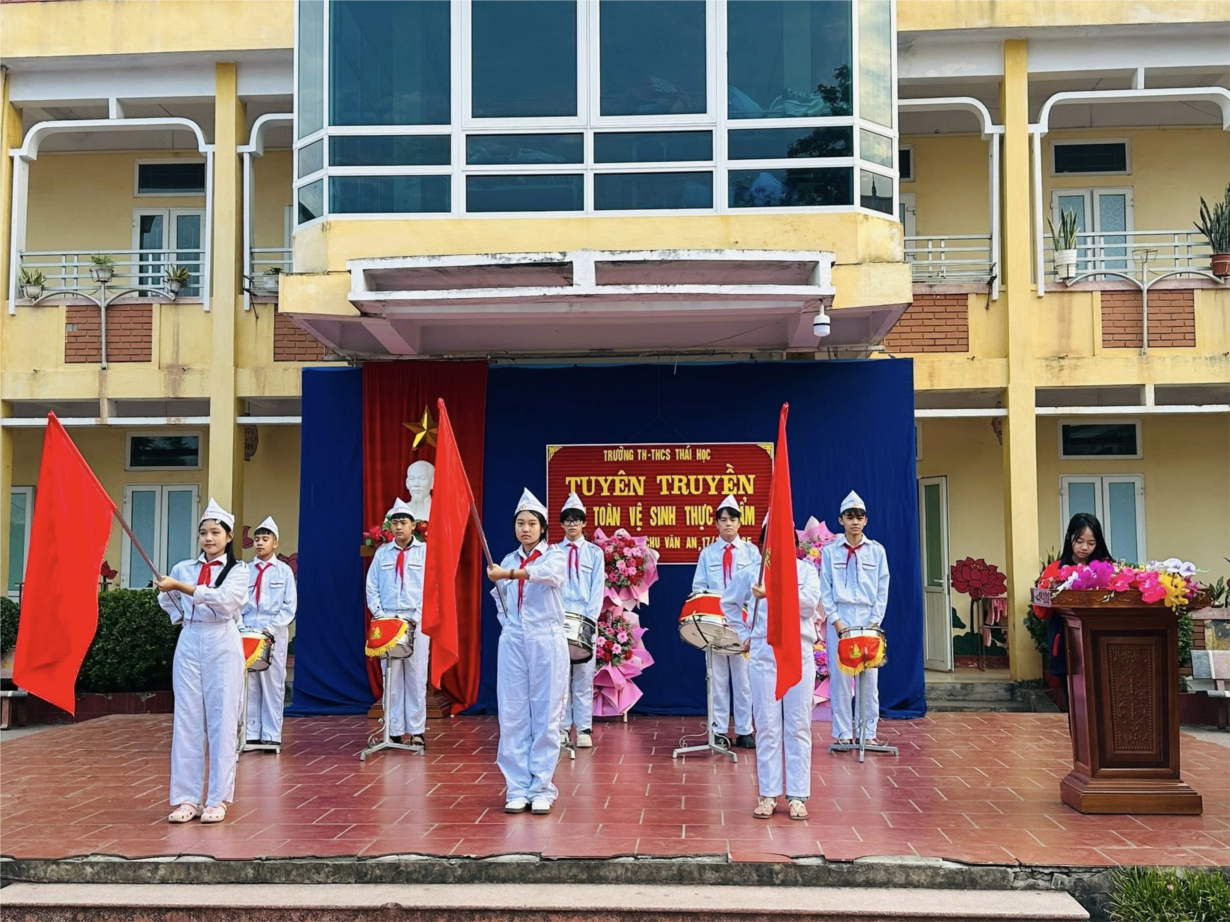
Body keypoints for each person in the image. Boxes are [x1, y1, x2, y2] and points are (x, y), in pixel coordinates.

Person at [155, 498, 248, 824]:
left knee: (222, 720)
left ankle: (217, 799)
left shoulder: (238, 570)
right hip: (190, 639)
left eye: (215, 532)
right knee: (187, 719)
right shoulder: (184, 568)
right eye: (204, 533)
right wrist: (178, 608)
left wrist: (181, 587)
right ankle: (186, 798)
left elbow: (226, 601)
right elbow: (167, 600)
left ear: (228, 536)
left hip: (222, 639)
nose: (209, 538)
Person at [722, 527, 822, 819]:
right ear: (763, 544)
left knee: (798, 725)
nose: (778, 548)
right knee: (766, 725)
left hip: (797, 652)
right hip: (764, 654)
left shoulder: (805, 571)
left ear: (794, 544)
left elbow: (808, 605)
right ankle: (768, 793)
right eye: (772, 542)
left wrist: (773, 593)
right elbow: (728, 603)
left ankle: (798, 796)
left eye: (785, 542)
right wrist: (744, 634)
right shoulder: (751, 573)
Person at [487, 489, 568, 815]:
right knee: (513, 714)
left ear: (543, 528)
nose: (525, 529)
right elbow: (500, 599)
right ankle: (517, 787)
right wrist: (510, 625)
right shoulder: (507, 560)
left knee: (546, 714)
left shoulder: (555, 556)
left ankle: (542, 787)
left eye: (532, 523)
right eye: (520, 523)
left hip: (546, 638)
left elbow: (546, 576)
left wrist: (507, 574)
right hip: (514, 639)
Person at [818, 491, 890, 747]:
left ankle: (868, 733)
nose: (855, 522)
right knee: (840, 679)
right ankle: (842, 734)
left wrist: (875, 621)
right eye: (850, 517)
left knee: (869, 680)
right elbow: (825, 588)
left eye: (859, 517)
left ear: (866, 520)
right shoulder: (830, 552)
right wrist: (836, 620)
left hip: (868, 618)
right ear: (841, 520)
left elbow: (883, 588)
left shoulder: (877, 551)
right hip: (841, 617)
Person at [691, 494, 760, 749]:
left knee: (743, 679)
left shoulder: (751, 552)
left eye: (732, 519)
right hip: (713, 624)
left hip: (742, 623)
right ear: (716, 524)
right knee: (717, 677)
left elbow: (757, 587)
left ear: (740, 522)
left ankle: (744, 730)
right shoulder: (707, 554)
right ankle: (718, 730)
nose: (728, 524)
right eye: (723, 520)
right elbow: (698, 588)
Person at [365, 498, 430, 748]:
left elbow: (431, 588)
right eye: (395, 523)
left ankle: (416, 730)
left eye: (404, 522)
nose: (399, 527)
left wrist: (416, 616)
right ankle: (393, 729)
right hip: (388, 619)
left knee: (416, 675)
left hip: (415, 619)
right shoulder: (382, 553)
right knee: (390, 675)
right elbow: (372, 586)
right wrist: (380, 613)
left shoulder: (425, 552)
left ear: (413, 525)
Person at [1044, 513, 1114, 702]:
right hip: (1064, 636)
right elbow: (1041, 611)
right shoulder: (1054, 569)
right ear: (1069, 538)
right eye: (1079, 541)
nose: (1084, 548)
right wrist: (1051, 592)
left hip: (1098, 636)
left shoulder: (1108, 568)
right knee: (1072, 693)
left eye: (1091, 543)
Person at [241, 516, 297, 747]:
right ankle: (251, 732)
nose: (260, 543)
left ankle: (272, 735)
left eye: (265, 539)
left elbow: (289, 606)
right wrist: (241, 626)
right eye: (257, 539)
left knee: (273, 683)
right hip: (248, 629)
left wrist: (270, 629)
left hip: (273, 631)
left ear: (275, 543)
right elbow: (237, 603)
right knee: (249, 683)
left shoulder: (283, 571)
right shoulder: (244, 570)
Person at [555, 492, 605, 750]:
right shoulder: (553, 552)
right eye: (567, 520)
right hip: (559, 618)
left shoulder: (595, 553)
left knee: (584, 677)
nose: (572, 524)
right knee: (561, 677)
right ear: (562, 524)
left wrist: (589, 621)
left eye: (576, 520)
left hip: (585, 620)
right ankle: (563, 728)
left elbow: (597, 589)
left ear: (584, 523)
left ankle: (584, 728)